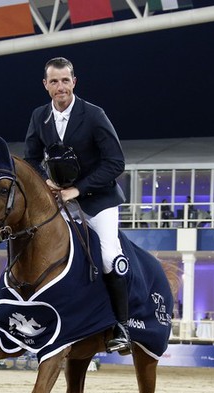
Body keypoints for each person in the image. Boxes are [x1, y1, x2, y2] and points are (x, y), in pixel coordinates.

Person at [24, 56, 131, 355]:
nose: (61, 87)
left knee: (109, 255)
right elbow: (31, 157)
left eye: (65, 80)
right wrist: (46, 181)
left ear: (75, 82)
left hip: (99, 201)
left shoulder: (94, 114)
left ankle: (121, 326)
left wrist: (77, 190)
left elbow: (116, 162)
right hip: (60, 199)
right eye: (54, 82)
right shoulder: (39, 117)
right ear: (46, 85)